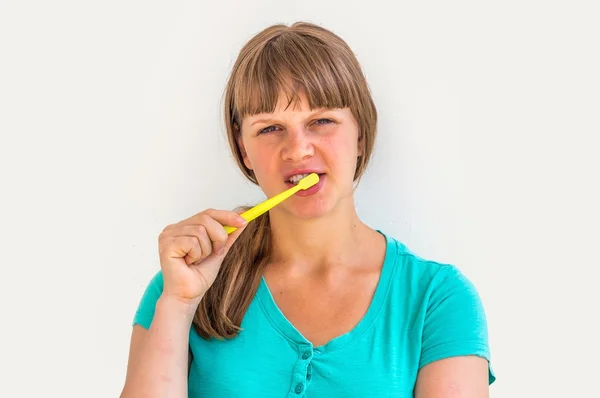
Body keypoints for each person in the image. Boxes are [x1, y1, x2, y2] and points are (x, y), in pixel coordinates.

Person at [120, 21, 496, 398]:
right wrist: (178, 306)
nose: (298, 150)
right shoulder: (184, 284)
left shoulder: (438, 299)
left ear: (360, 135)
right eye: (270, 128)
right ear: (244, 148)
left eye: (322, 121)